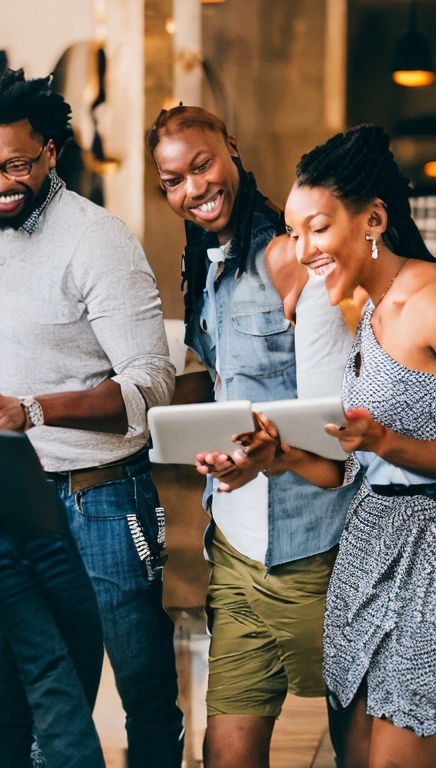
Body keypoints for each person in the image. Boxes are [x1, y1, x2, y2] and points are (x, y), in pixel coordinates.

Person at [0, 67, 183, 768]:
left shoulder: (97, 239)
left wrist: (35, 409)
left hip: (101, 498)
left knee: (142, 689)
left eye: (15, 164)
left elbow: (150, 382)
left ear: (49, 151)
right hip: (6, 500)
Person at [203, 124, 436, 767]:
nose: (301, 250)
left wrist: (387, 441)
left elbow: (384, 449)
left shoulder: (429, 301)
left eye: (318, 229)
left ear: (374, 220)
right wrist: (275, 459)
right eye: (296, 232)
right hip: (367, 556)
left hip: (426, 562)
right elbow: (348, 472)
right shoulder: (364, 308)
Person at [146, 105, 359, 767]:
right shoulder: (207, 267)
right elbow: (229, 387)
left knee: (365, 747)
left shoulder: (290, 259)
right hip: (233, 549)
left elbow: (337, 434)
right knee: (226, 754)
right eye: (173, 180)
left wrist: (270, 456)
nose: (194, 188)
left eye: (202, 164)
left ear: (231, 150)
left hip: (318, 553)